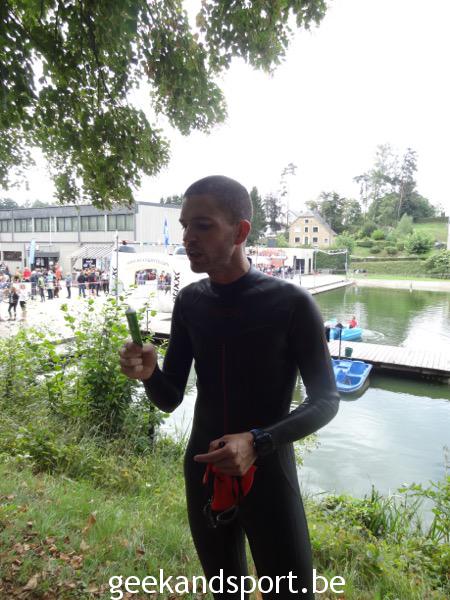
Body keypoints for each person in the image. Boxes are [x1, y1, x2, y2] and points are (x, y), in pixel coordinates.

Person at [119, 175, 339, 599]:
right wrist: (149, 374)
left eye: (202, 225)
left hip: (269, 475)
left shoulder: (291, 303)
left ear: (240, 232)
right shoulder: (190, 301)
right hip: (203, 470)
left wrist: (257, 441)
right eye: (185, 225)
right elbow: (169, 398)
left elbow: (326, 401)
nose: (188, 237)